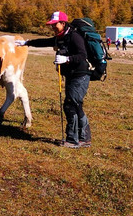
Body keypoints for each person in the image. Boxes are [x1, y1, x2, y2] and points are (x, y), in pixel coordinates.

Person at [17, 11, 92, 149]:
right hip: (71, 75)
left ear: (63, 23)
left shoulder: (74, 36)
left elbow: (82, 55)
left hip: (81, 75)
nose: (52, 27)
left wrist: (67, 59)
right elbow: (45, 42)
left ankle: (72, 140)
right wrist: (27, 43)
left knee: (70, 105)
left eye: (54, 24)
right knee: (76, 105)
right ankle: (84, 138)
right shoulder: (60, 37)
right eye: (51, 25)